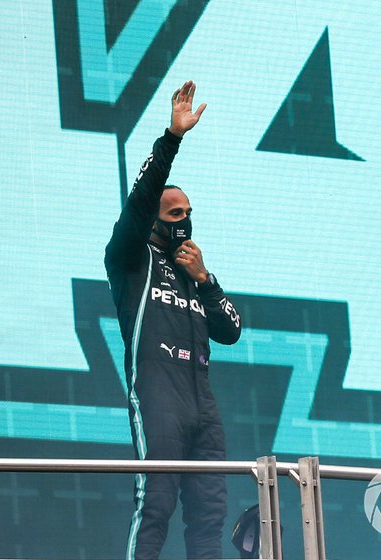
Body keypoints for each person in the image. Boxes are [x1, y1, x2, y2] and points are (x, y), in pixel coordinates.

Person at [105, 81, 243, 560]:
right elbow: (141, 199)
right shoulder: (130, 258)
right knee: (155, 505)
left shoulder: (194, 271)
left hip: (202, 402)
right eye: (174, 213)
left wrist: (204, 279)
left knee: (209, 516)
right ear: (153, 221)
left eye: (189, 212)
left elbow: (231, 330)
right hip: (158, 393)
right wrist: (172, 137)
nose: (183, 220)